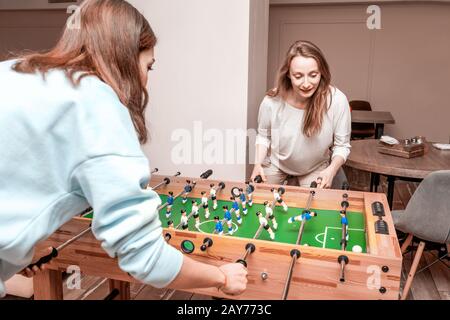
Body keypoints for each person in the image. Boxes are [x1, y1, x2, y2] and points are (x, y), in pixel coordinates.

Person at [0, 0, 246, 298]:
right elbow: (145, 258)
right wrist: (220, 276)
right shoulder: (95, 102)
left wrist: (17, 248)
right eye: (148, 65)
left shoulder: (13, 71)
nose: (146, 79)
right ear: (125, 58)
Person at [250, 40, 351, 189]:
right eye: (298, 76)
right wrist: (257, 163)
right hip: (277, 164)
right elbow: (263, 136)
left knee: (313, 210)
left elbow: (342, 146)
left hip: (315, 167)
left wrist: (331, 170)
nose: (306, 84)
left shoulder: (337, 100)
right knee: (257, 200)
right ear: (288, 75)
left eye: (313, 75)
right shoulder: (271, 101)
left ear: (322, 72)